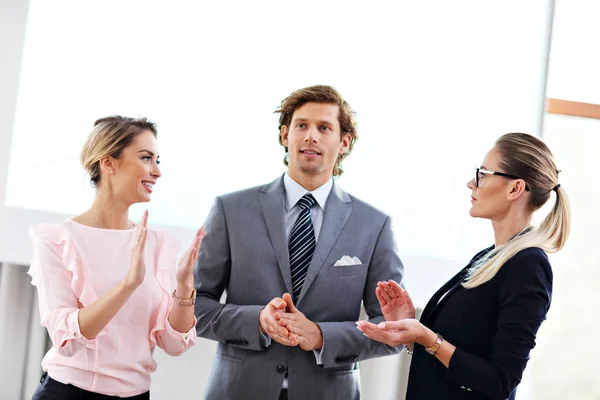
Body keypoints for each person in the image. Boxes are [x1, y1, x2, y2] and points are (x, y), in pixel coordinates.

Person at [194, 85, 405, 400]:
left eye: (324, 128)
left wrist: (322, 337)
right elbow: (195, 306)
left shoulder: (374, 225)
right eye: (301, 125)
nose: (311, 136)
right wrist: (258, 321)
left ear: (344, 142)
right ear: (284, 135)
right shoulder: (231, 210)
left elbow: (393, 331)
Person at [357, 132, 571, 399]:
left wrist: (428, 338)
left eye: (483, 173)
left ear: (515, 189)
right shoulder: (491, 256)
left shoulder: (529, 266)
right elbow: (463, 353)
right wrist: (411, 329)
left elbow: (500, 382)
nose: (472, 183)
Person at [29, 116, 204, 399]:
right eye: (146, 158)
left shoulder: (157, 243)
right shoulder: (57, 239)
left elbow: (173, 345)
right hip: (67, 393)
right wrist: (128, 284)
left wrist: (184, 288)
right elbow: (66, 340)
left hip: (137, 394)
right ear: (108, 162)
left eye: (158, 160)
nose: (157, 171)